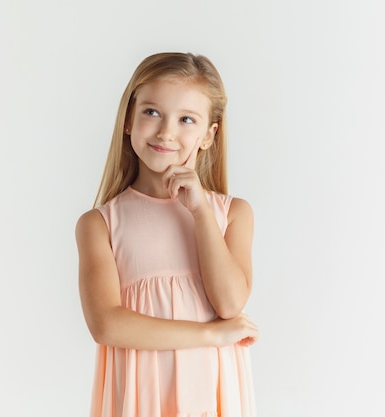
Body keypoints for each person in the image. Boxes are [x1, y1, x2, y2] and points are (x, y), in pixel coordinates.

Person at [75, 52, 258, 417]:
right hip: (142, 399)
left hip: (211, 397)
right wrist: (209, 335)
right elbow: (107, 325)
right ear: (128, 119)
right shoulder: (101, 224)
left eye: (186, 119)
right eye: (152, 112)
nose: (166, 132)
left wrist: (200, 211)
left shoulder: (231, 214)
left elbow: (229, 303)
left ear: (208, 136)